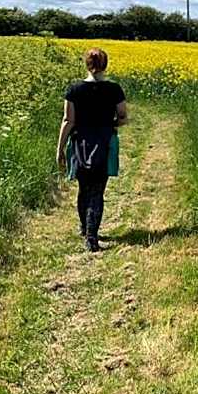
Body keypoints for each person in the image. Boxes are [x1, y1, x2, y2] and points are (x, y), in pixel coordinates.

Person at [56, 48, 128, 252]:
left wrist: (59, 149)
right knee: (97, 190)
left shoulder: (74, 90)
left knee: (83, 187)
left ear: (86, 64)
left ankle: (84, 227)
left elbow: (68, 120)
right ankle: (92, 236)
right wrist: (112, 124)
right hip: (104, 143)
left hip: (80, 143)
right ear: (105, 65)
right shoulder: (114, 89)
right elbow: (123, 117)